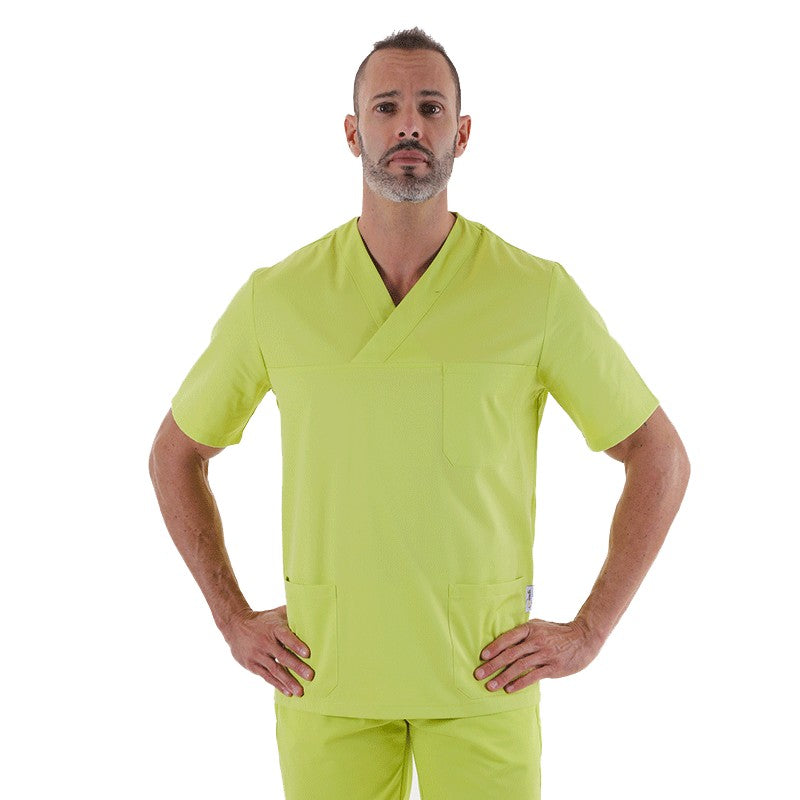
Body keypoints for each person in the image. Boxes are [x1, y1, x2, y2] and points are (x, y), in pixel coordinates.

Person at [149, 26, 690, 800]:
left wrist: (589, 631)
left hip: (483, 678)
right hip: (326, 675)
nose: (410, 124)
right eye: (387, 107)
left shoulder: (534, 294)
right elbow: (175, 454)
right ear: (352, 132)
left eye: (431, 108)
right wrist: (232, 619)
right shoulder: (279, 298)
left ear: (461, 134)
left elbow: (659, 455)